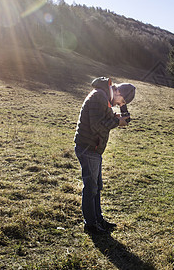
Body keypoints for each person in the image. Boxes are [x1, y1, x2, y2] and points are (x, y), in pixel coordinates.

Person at [74, 77, 135, 235]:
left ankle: (98, 219)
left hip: (93, 148)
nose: (118, 104)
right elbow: (96, 125)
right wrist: (117, 122)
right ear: (118, 91)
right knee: (91, 187)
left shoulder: (104, 96)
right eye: (120, 101)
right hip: (88, 147)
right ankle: (91, 225)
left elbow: (104, 119)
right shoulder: (99, 96)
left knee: (96, 187)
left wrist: (122, 111)